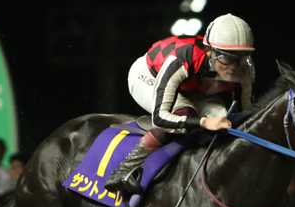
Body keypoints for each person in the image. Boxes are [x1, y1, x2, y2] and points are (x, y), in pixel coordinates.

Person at [104, 13, 255, 194]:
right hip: (148, 75)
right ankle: (122, 172)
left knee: (223, 116)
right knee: (185, 114)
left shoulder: (245, 68)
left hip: (192, 85)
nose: (234, 67)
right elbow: (160, 118)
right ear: (210, 52)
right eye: (227, 58)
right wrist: (203, 122)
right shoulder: (184, 58)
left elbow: (247, 116)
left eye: (241, 58)